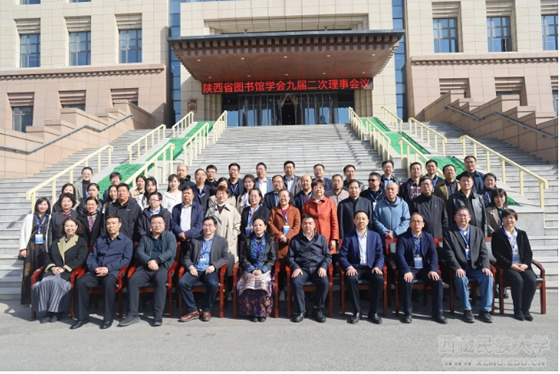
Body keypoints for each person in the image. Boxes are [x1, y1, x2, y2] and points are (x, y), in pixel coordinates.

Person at [71, 215, 133, 329]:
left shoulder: (126, 241)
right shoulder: (100, 240)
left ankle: (108, 318)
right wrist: (95, 268)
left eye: (114, 223)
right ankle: (82, 317)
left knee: (108, 283)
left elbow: (126, 260)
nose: (111, 226)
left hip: (112, 272)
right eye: (108, 223)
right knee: (81, 283)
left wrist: (108, 268)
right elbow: (91, 257)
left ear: (120, 225)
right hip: (96, 271)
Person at [118, 215, 176, 327]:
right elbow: (139, 252)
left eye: (160, 223)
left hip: (162, 266)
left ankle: (157, 314)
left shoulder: (170, 236)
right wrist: (149, 261)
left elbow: (171, 252)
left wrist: (157, 261)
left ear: (164, 224)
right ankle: (133, 314)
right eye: (154, 223)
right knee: (133, 281)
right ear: (150, 225)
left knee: (160, 281)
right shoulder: (145, 237)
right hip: (146, 266)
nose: (157, 225)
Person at [32, 217, 88, 323]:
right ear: (63, 227)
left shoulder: (81, 242)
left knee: (56, 283)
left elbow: (80, 258)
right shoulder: (57, 241)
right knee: (43, 283)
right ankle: (48, 311)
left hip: (68, 272)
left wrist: (64, 268)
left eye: (72, 226)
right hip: (53, 270)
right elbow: (47, 256)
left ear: (76, 227)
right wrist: (52, 267)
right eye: (67, 226)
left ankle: (57, 311)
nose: (69, 228)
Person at [443, 207, 493, 324]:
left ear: (470, 217)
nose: (463, 218)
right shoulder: (449, 233)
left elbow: (483, 252)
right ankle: (467, 309)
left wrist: (486, 266)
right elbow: (449, 254)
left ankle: (485, 310)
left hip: (476, 267)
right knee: (461, 278)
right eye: (460, 215)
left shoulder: (477, 231)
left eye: (465, 215)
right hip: (460, 267)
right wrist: (457, 268)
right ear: (455, 218)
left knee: (488, 277)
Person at [395, 212, 447, 324]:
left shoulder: (428, 237)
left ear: (423, 224)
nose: (416, 224)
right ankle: (408, 313)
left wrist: (433, 269)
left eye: (419, 221)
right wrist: (406, 271)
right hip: (410, 268)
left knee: (437, 281)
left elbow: (433, 254)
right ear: (409, 224)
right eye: (413, 221)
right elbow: (399, 256)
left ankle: (438, 313)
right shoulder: (403, 238)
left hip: (424, 268)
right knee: (406, 281)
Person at [178, 216, 229, 322]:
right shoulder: (195, 240)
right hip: (196, 269)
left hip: (209, 269)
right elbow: (186, 257)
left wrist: (214, 266)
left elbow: (225, 258)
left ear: (215, 227)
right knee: (182, 283)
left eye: (210, 225)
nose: (207, 228)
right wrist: (191, 267)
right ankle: (193, 310)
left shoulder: (222, 241)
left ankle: (206, 309)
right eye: (205, 225)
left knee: (213, 284)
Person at [339, 211, 384, 324]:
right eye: (358, 219)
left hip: (371, 267)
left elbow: (380, 255)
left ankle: (373, 312)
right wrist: (349, 267)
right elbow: (342, 256)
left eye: (363, 219)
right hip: (355, 267)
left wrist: (378, 267)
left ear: (368, 221)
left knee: (379, 279)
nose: (361, 221)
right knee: (350, 278)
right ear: (354, 221)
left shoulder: (375, 236)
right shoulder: (349, 237)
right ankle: (357, 311)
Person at [491, 208, 537, 321]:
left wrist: (526, 264)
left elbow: (528, 252)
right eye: (506, 218)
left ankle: (526, 309)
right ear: (502, 220)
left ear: (515, 220)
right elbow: (497, 254)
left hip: (523, 266)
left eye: (511, 218)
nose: (509, 220)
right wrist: (511, 265)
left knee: (531, 280)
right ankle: (518, 310)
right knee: (518, 280)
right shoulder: (497, 235)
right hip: (507, 267)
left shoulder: (522, 234)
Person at [286, 214, 332, 323]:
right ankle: (302, 310)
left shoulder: (321, 239)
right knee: (296, 282)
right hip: (302, 268)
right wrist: (295, 267)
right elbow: (290, 257)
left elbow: (328, 256)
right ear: (301, 225)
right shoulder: (295, 240)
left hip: (317, 268)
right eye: (305, 223)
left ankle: (317, 309)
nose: (307, 226)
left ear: (314, 225)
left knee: (324, 283)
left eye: (310, 223)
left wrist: (323, 267)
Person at [237, 217, 277, 322]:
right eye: (255, 225)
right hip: (251, 269)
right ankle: (252, 312)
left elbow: (272, 258)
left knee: (262, 283)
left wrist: (263, 269)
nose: (258, 227)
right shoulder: (248, 240)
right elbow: (244, 258)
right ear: (252, 227)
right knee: (250, 282)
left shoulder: (270, 240)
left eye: (260, 225)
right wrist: (251, 269)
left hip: (264, 269)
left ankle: (262, 312)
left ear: (265, 227)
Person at [19, 197, 52, 305]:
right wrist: (22, 248)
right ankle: (27, 299)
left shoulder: (50, 217)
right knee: (28, 272)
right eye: (40, 204)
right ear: (37, 205)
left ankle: (41, 299)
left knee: (42, 272)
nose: (42, 206)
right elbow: (23, 233)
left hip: (44, 247)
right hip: (31, 247)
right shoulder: (29, 217)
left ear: (48, 207)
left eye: (45, 204)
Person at [205, 186, 241, 273]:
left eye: (224, 193)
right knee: (215, 265)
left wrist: (233, 235)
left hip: (229, 241)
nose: (221, 196)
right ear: (216, 195)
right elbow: (206, 224)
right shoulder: (211, 210)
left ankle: (228, 286)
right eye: (219, 193)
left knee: (229, 268)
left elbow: (238, 224)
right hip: (214, 241)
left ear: (227, 195)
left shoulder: (233, 210)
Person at [302, 180, 339, 254]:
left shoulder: (330, 203)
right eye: (315, 187)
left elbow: (334, 221)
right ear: (312, 189)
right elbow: (304, 222)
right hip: (312, 236)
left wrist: (334, 239)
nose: (318, 189)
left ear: (324, 189)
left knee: (327, 260)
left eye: (320, 187)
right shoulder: (307, 204)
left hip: (327, 237)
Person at [268, 189, 301, 268]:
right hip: (278, 243)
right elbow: (270, 224)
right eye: (280, 196)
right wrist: (280, 235)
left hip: (291, 242)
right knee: (279, 266)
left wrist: (287, 237)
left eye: (285, 196)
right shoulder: (274, 210)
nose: (283, 198)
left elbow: (297, 226)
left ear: (289, 198)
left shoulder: (295, 210)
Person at [448, 171, 487, 236]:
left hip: (477, 232)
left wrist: (484, 234)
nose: (466, 183)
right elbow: (450, 218)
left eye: (468, 181)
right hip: (459, 232)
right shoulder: (453, 198)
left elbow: (484, 218)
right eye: (463, 181)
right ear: (459, 182)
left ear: (472, 183)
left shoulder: (478, 198)